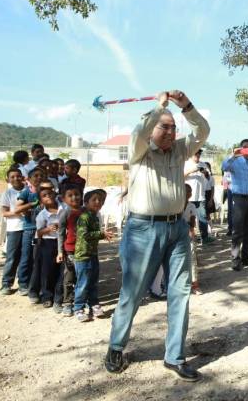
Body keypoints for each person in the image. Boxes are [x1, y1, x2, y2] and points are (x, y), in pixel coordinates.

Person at [106, 90, 208, 382]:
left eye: (174, 127)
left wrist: (186, 106)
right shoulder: (139, 150)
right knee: (133, 291)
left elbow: (203, 130)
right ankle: (116, 346)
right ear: (152, 128)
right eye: (165, 126)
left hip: (176, 228)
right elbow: (139, 131)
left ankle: (175, 356)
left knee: (180, 292)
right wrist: (160, 105)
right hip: (143, 230)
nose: (171, 132)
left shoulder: (179, 150)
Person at [222, 138, 248, 272]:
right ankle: (235, 259)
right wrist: (234, 155)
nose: (247, 149)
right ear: (240, 148)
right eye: (244, 147)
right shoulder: (235, 162)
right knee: (237, 230)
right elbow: (224, 167)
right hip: (239, 198)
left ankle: (246, 257)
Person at [74, 189, 113, 322]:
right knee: (83, 283)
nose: (98, 202)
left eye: (101, 200)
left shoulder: (95, 216)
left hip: (93, 254)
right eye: (94, 199)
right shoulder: (84, 217)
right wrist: (101, 234)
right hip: (83, 256)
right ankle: (78, 308)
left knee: (93, 281)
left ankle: (94, 304)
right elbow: (83, 234)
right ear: (85, 202)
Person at [14, 167, 46, 298]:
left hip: (43, 230)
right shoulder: (26, 192)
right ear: (29, 178)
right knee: (26, 257)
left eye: (41, 176)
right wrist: (32, 204)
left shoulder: (46, 192)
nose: (38, 178)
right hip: (29, 229)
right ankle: (23, 283)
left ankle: (38, 284)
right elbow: (18, 208)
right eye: (36, 176)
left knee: (39, 258)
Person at [35, 187, 64, 311]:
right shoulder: (42, 215)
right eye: (44, 195)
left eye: (50, 194)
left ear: (55, 194)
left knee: (62, 271)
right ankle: (47, 296)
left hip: (63, 242)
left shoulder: (64, 209)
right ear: (41, 201)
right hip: (48, 243)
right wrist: (48, 229)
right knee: (47, 271)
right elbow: (39, 232)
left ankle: (59, 296)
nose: (48, 197)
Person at [57, 184, 83, 317]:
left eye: (77, 194)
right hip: (70, 251)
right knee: (69, 277)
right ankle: (67, 303)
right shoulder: (65, 213)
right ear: (64, 198)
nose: (74, 197)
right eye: (70, 195)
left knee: (82, 276)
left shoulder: (86, 211)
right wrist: (60, 251)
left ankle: (81, 301)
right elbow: (60, 233)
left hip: (84, 251)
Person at [0, 168, 25, 295]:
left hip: (28, 229)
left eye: (18, 176)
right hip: (14, 228)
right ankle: (6, 283)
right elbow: (4, 212)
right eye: (12, 177)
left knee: (25, 258)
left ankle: (23, 284)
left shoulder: (29, 191)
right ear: (8, 179)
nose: (16, 179)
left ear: (23, 177)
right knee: (12, 257)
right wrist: (16, 212)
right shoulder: (8, 193)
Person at [184, 150, 213, 244]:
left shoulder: (203, 164)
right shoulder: (186, 164)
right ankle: (188, 239)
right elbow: (181, 176)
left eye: (199, 153)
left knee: (203, 217)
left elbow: (209, 178)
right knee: (187, 218)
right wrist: (193, 170)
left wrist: (205, 173)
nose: (198, 155)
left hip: (201, 196)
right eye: (196, 153)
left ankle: (205, 237)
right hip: (189, 197)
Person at [182, 184, 202, 295]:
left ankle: (195, 284)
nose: (189, 193)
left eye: (190, 191)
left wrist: (190, 229)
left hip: (188, 233)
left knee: (192, 258)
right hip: (177, 234)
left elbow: (192, 222)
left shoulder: (192, 206)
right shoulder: (176, 206)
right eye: (187, 191)